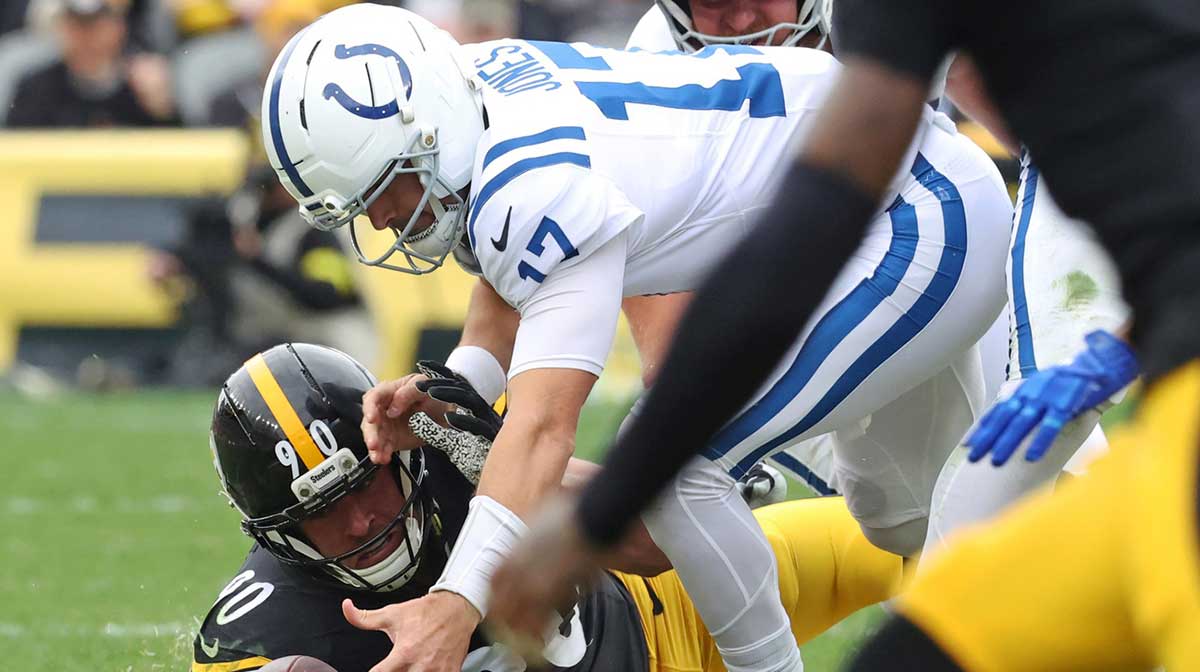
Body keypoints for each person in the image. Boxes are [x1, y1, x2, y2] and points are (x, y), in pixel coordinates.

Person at [262, 4, 1011, 670]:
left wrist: (458, 601)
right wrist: (456, 389)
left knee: (675, 463)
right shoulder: (473, 96)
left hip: (918, 214)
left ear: (426, 130)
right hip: (880, 203)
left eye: (386, 187)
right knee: (907, 517)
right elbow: (505, 285)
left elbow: (543, 428)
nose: (385, 220)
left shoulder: (527, 186)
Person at [486, 0, 1200, 668]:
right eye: (710, 3)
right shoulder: (665, 55)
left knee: (1020, 459)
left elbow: (822, 222)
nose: (739, 17)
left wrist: (1093, 335)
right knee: (904, 533)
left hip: (955, 249)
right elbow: (758, 275)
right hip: (856, 300)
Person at [193, 343, 905, 672]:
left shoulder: (448, 449)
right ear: (279, 538)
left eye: (364, 484)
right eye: (322, 513)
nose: (358, 522)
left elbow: (662, 544)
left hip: (668, 618)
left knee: (918, 539)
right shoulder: (264, 628)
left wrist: (491, 456)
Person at [7, 0, 177, 127]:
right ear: (61, 29)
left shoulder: (144, 85)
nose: (86, 38)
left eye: (95, 26)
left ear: (119, 28)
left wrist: (163, 112)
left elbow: (176, 155)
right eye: (76, 25)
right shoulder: (35, 87)